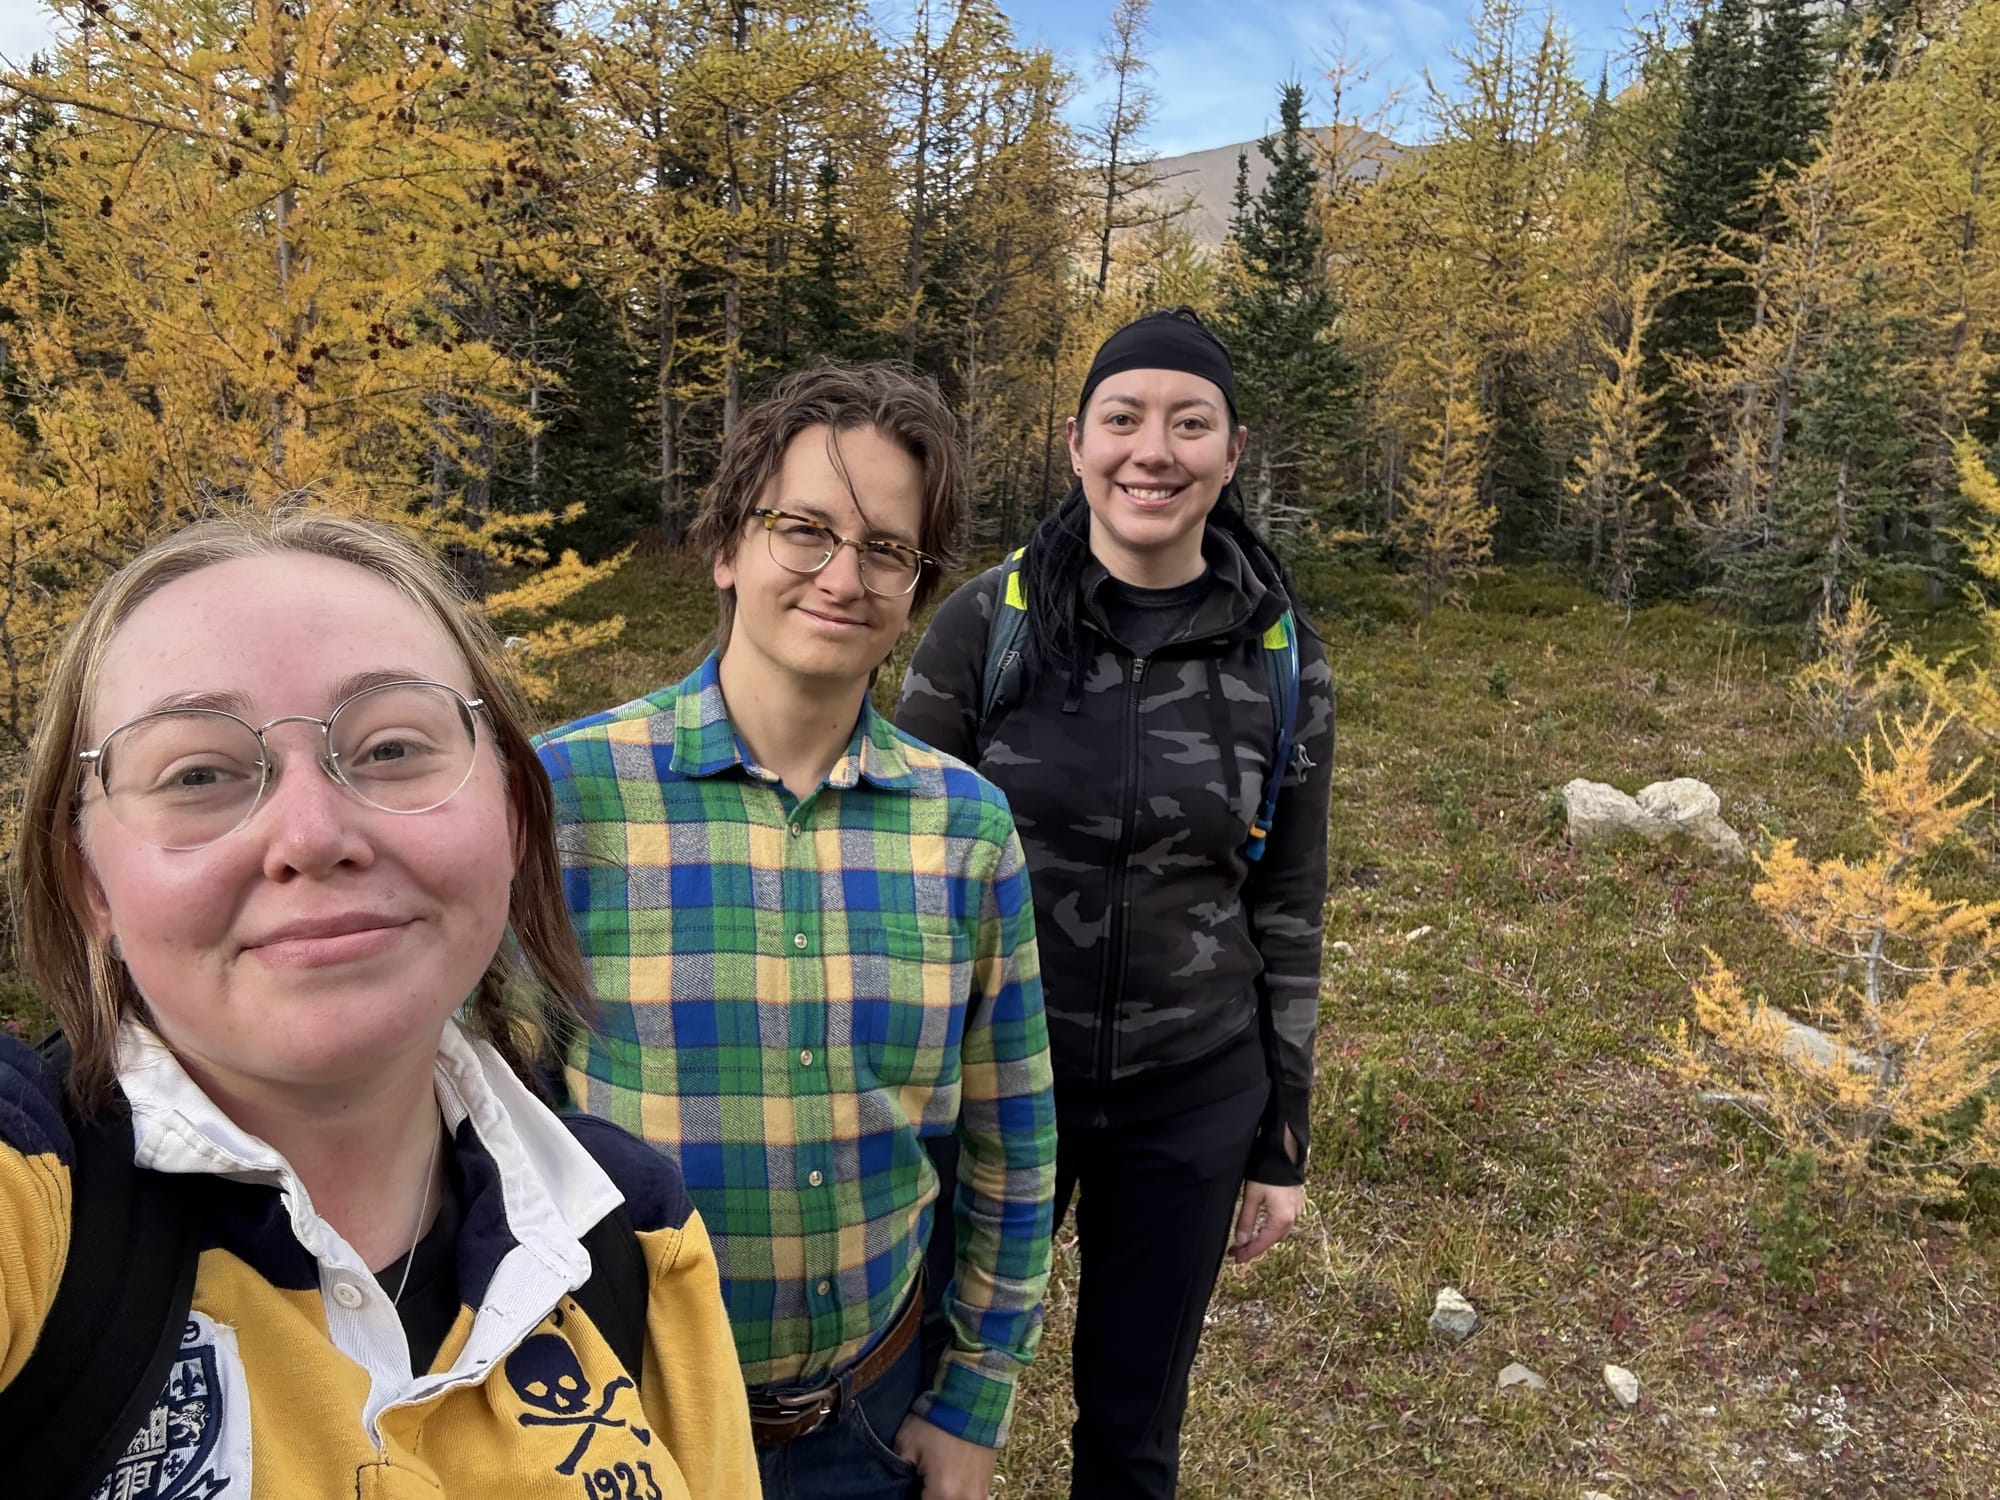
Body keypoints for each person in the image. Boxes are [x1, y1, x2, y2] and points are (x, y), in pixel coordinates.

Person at [0, 510, 758, 1499]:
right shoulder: (34, 1207)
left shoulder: (630, 1238)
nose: (312, 833)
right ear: (89, 878)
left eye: (392, 748)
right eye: (197, 773)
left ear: (514, 816)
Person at [536, 363, 1057, 1500]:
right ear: (727, 545)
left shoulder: (964, 830)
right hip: (617, 1421)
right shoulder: (565, 800)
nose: (842, 575)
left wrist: (972, 1397)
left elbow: (1011, 1149)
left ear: (917, 586)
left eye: (885, 549)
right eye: (803, 530)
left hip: (863, 1421)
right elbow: (466, 1123)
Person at [895, 308, 1336, 1499]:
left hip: (1190, 1092)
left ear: (1230, 453)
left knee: (1133, 1432)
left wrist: (1278, 1141)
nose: (1155, 450)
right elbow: (887, 859)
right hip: (984, 1090)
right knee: (921, 1401)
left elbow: (1287, 904)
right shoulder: (985, 627)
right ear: (1077, 444)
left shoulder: (1279, 655)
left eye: (1188, 424)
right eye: (1123, 419)